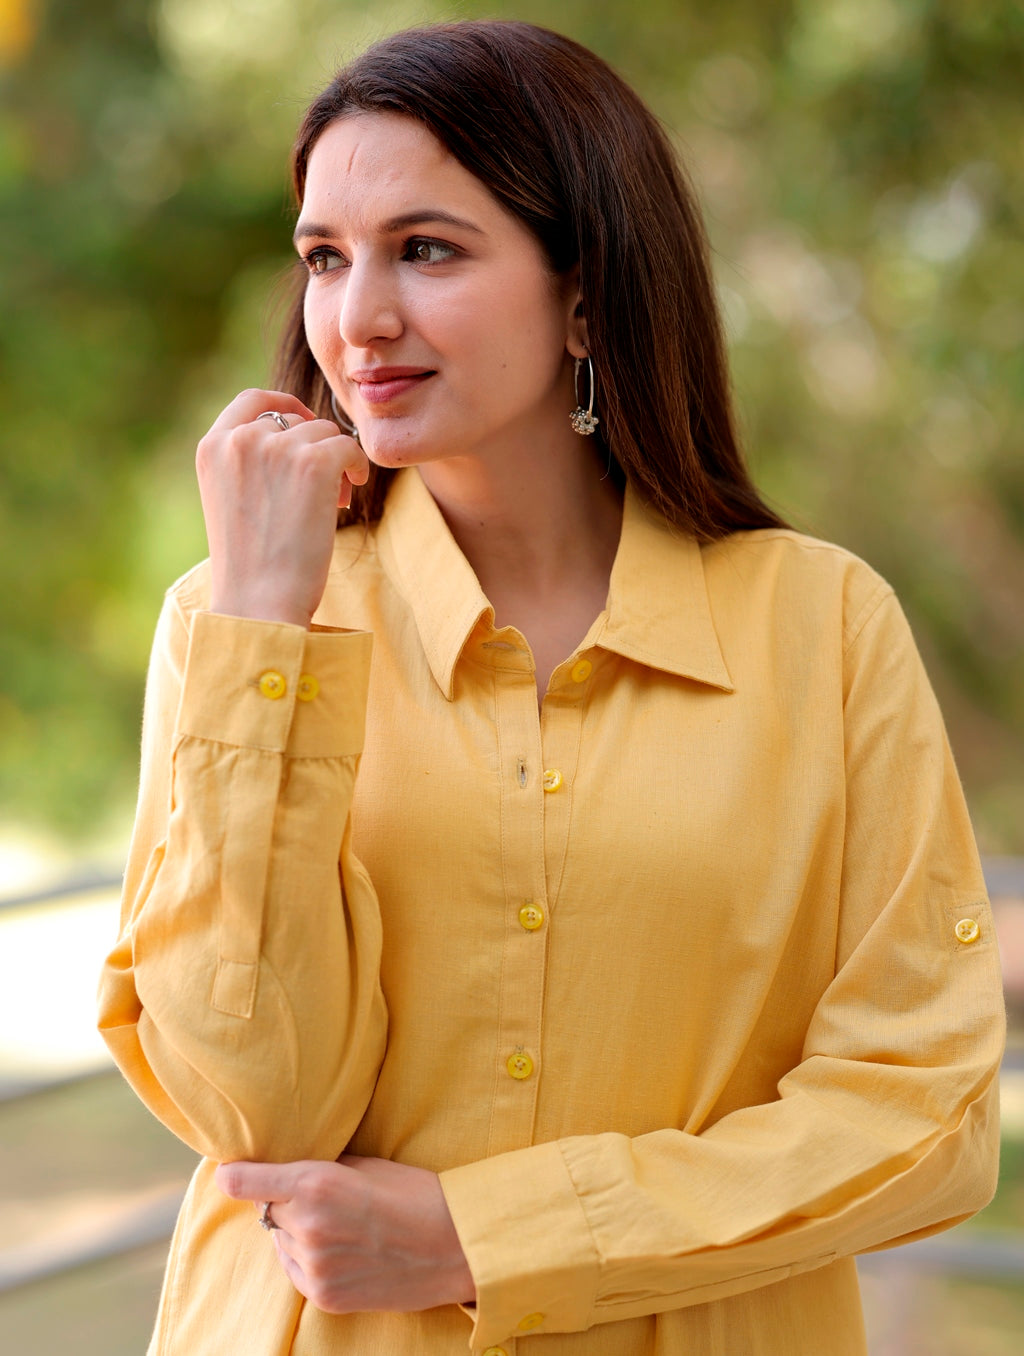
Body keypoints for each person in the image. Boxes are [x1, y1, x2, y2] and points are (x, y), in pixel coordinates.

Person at [98, 19, 1005, 1356]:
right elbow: (258, 1110)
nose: (359, 319)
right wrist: (262, 637)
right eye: (325, 259)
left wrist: (493, 1235)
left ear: (586, 293)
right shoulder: (231, 625)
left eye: (428, 249)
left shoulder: (824, 627)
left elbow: (924, 1114)